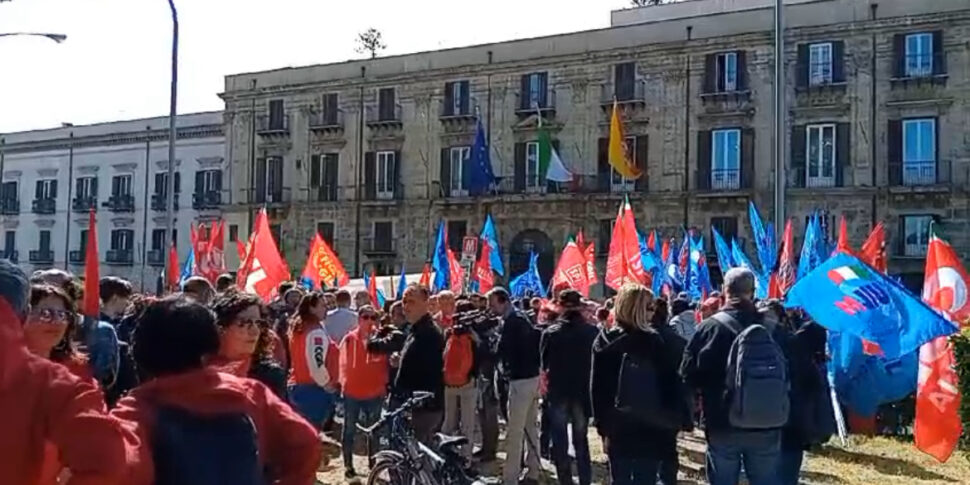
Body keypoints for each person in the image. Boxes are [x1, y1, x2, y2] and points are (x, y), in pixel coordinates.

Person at [111, 295, 322, 485]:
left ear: (139, 352)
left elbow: (117, 469)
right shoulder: (250, 394)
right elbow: (307, 444)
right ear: (211, 346)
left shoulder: (135, 411)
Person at [0, 259, 131, 485]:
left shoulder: (70, 380)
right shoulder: (57, 385)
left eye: (61, 314)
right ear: (25, 314)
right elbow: (110, 461)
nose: (53, 321)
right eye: (45, 313)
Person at [681, 268, 785, 485]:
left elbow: (688, 375)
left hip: (722, 420)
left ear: (724, 290)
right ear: (753, 292)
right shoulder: (774, 327)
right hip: (767, 419)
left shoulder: (708, 328)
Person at [591, 284, 689, 485]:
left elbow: (597, 390)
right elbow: (671, 388)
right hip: (651, 426)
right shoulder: (656, 343)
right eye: (650, 307)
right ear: (637, 309)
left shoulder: (603, 342)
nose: (654, 312)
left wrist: (603, 429)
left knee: (620, 479)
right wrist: (675, 424)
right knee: (646, 479)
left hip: (617, 426)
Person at [540, 290, 598, 485]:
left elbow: (543, 364)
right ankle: (585, 480)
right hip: (582, 391)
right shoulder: (592, 332)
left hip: (558, 391)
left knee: (560, 440)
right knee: (581, 440)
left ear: (560, 306)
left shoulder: (550, 332)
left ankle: (565, 480)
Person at [489, 287, 542, 485]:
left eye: (493, 304)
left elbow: (501, 350)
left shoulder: (512, 323)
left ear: (503, 301)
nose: (491, 309)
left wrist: (488, 342)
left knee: (515, 430)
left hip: (520, 380)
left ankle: (509, 478)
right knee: (530, 427)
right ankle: (532, 472)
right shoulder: (522, 318)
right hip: (531, 378)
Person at [338, 304, 388, 479]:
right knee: (349, 429)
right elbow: (342, 363)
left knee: (374, 430)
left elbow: (387, 364)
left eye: (372, 317)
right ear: (359, 319)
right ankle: (348, 465)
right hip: (353, 392)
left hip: (375, 392)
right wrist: (342, 385)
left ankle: (373, 464)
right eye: (365, 317)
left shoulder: (383, 339)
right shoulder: (349, 339)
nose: (369, 321)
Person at [210, 291, 287, 397]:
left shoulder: (270, 375)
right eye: (245, 322)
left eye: (259, 323)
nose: (255, 331)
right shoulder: (198, 371)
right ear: (221, 327)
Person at [395, 284, 445, 444]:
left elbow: (431, 372)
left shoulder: (430, 332)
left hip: (424, 408)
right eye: (404, 301)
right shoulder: (415, 329)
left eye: (412, 302)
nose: (406, 306)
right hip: (412, 404)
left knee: (422, 458)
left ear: (426, 303)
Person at [287, 291, 341, 429]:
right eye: (323, 305)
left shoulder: (300, 327)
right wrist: (327, 384)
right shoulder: (315, 332)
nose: (326, 309)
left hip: (299, 386)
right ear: (312, 308)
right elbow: (316, 364)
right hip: (313, 390)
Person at [441, 302, 480, 461]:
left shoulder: (449, 332)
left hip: (449, 382)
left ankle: (444, 455)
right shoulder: (473, 334)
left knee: (449, 421)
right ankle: (466, 459)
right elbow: (482, 354)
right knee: (467, 424)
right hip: (468, 382)